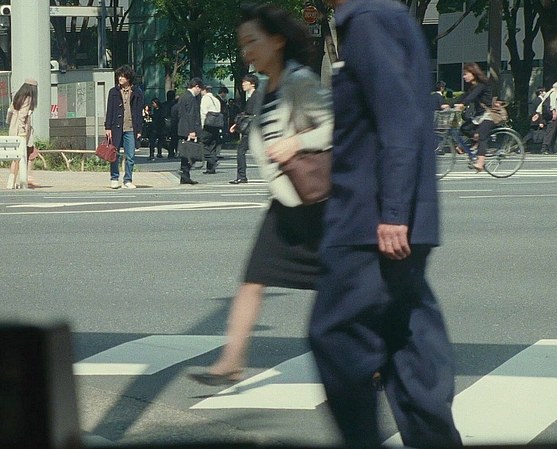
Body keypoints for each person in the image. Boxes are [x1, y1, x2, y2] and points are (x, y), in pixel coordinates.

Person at [309, 1, 462, 447]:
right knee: (408, 345)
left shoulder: (369, 23)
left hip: (367, 221)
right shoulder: (389, 18)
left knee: (335, 335)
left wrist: (392, 214)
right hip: (392, 217)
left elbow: (398, 122)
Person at [188, 3, 332, 386]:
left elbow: (337, 127)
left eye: (252, 41)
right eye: (242, 44)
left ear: (278, 41)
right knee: (254, 278)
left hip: (320, 205)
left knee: (343, 287)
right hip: (287, 202)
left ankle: (377, 355)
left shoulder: (299, 80)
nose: (246, 51)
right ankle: (231, 361)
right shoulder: (270, 85)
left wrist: (295, 142)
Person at [104, 65, 144, 188]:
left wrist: (139, 129)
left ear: (128, 77)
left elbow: (139, 112)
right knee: (114, 153)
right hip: (116, 127)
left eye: (122, 76)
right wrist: (107, 127)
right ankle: (114, 178)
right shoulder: (113, 92)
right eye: (119, 76)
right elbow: (109, 110)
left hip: (131, 127)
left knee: (130, 155)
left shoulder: (137, 92)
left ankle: (128, 180)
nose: (120, 78)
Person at [454, 62, 494, 172]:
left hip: (489, 115)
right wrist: (450, 104)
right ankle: (474, 142)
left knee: (482, 135)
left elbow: (471, 97)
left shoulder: (482, 85)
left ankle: (480, 163)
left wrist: (463, 105)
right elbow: (464, 96)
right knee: (464, 128)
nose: (464, 77)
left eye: (466, 74)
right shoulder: (472, 87)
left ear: (473, 73)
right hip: (479, 115)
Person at [6, 79, 38, 189]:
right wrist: (22, 131)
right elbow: (22, 116)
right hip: (21, 131)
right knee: (21, 157)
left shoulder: (17, 96)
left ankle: (12, 181)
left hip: (13, 127)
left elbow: (10, 111)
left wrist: (10, 124)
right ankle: (17, 181)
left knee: (16, 158)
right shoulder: (28, 98)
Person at [229, 74, 259, 184]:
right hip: (253, 129)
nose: (243, 84)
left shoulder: (256, 96)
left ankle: (242, 176)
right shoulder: (252, 96)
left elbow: (250, 114)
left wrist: (237, 124)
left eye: (245, 82)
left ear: (252, 84)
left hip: (253, 129)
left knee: (241, 151)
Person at [175, 78, 204, 185]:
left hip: (182, 128)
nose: (199, 92)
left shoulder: (183, 96)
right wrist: (192, 130)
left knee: (186, 154)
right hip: (189, 129)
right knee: (192, 153)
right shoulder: (190, 98)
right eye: (199, 89)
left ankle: (185, 176)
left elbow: (180, 113)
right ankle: (184, 172)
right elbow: (191, 115)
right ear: (196, 87)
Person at [199, 85, 223, 174]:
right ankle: (211, 168)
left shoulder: (205, 99)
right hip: (216, 125)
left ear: (204, 90)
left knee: (203, 144)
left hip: (208, 125)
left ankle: (213, 160)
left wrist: (202, 125)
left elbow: (203, 113)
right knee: (212, 145)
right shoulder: (216, 100)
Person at [541, 81, 557, 154]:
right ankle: (546, 148)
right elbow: (553, 104)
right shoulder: (554, 93)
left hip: (548, 115)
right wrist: (554, 114)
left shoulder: (548, 93)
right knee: (551, 132)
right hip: (553, 115)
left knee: (556, 131)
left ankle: (553, 148)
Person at [164, 90, 179, 159]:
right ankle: (175, 152)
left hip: (165, 122)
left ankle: (170, 152)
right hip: (174, 123)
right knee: (175, 138)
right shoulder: (176, 105)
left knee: (165, 139)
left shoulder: (164, 104)